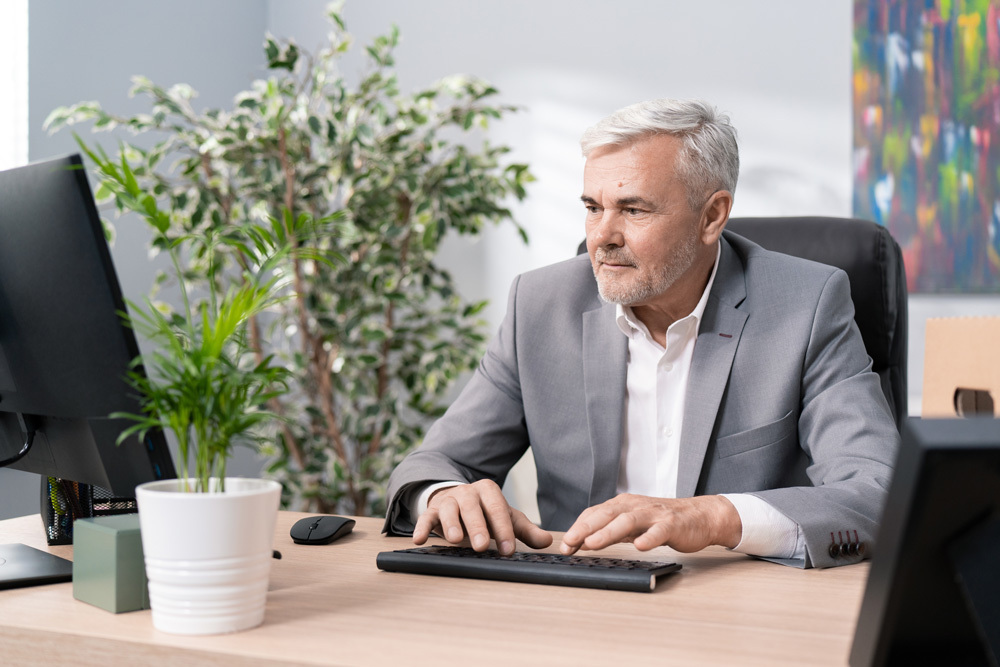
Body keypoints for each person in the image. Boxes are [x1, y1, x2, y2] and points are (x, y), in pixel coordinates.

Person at [382, 98, 899, 568]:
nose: (602, 237)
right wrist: (443, 493)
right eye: (592, 207)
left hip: (734, 607)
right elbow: (436, 462)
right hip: (579, 597)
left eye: (633, 209)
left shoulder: (806, 305)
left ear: (712, 216)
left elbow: (879, 490)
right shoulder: (539, 307)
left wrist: (712, 518)